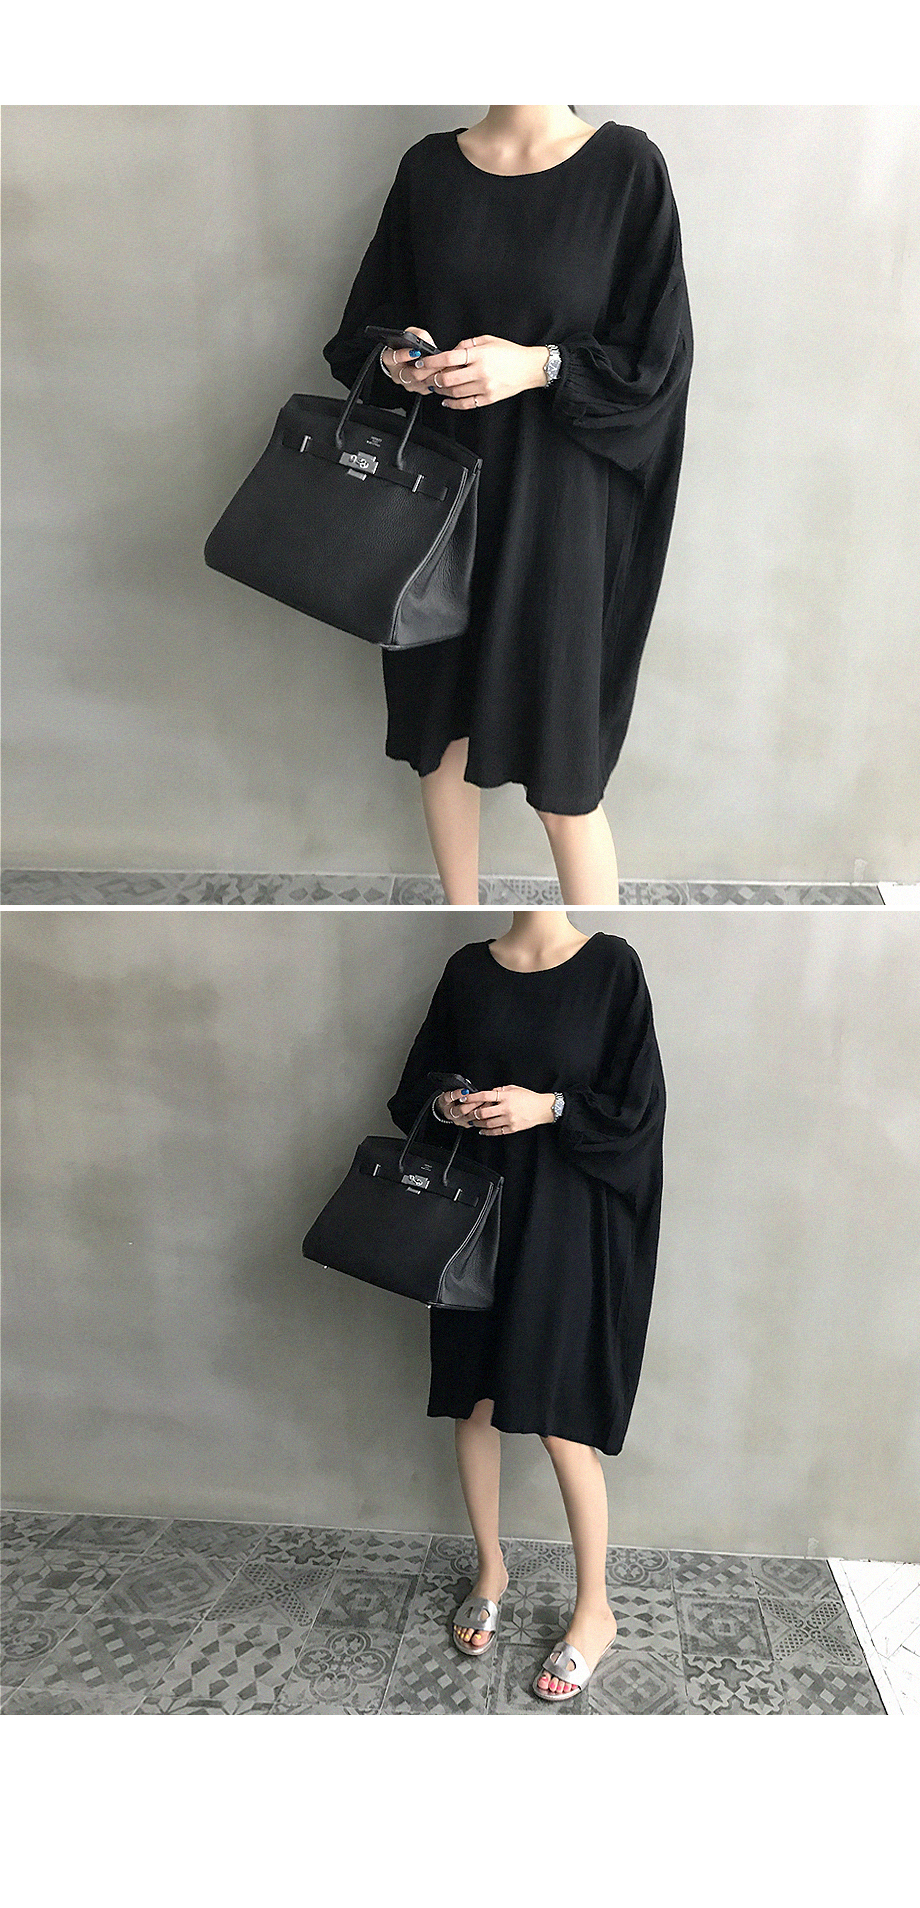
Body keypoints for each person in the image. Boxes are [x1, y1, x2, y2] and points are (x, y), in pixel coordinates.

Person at [324, 105, 693, 907]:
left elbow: (656, 360)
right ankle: (457, 915)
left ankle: (593, 933)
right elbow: (363, 331)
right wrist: (397, 362)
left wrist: (540, 365)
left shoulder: (625, 169)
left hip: (558, 512)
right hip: (433, 503)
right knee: (440, 745)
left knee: (566, 783)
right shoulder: (428, 170)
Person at [387, 907, 665, 1702]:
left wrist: (549, 1107)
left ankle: (595, 1609)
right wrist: (448, 1105)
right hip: (475, 1219)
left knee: (559, 1415)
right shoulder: (467, 970)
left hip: (566, 1224)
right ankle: (491, 1569)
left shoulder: (612, 967)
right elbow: (417, 1085)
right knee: (472, 1400)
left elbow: (640, 1106)